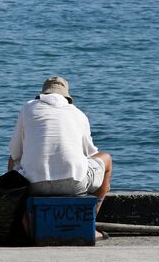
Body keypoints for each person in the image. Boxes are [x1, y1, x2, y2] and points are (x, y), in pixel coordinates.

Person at [8, 76, 113, 238]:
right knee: (106, 159)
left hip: (34, 186)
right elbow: (90, 154)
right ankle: (90, 224)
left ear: (42, 94)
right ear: (67, 97)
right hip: (74, 184)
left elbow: (15, 154)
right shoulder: (78, 114)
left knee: (12, 160)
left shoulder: (28, 108)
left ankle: (25, 225)